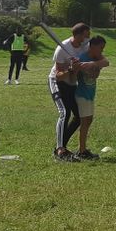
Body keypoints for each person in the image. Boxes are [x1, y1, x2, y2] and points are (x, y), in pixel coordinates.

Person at [49, 23, 91, 162]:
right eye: (86, 35)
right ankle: (60, 150)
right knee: (64, 112)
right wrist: (71, 69)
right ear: (79, 35)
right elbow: (58, 75)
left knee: (79, 116)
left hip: (72, 83)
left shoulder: (85, 46)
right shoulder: (62, 49)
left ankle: (61, 145)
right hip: (58, 83)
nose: (88, 38)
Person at [72, 35, 111, 160]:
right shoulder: (81, 58)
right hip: (81, 94)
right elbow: (73, 77)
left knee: (88, 120)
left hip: (89, 94)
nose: (102, 51)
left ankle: (82, 149)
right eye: (101, 48)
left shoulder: (95, 58)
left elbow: (104, 65)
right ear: (92, 46)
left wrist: (90, 65)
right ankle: (82, 150)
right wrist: (77, 68)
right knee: (85, 121)